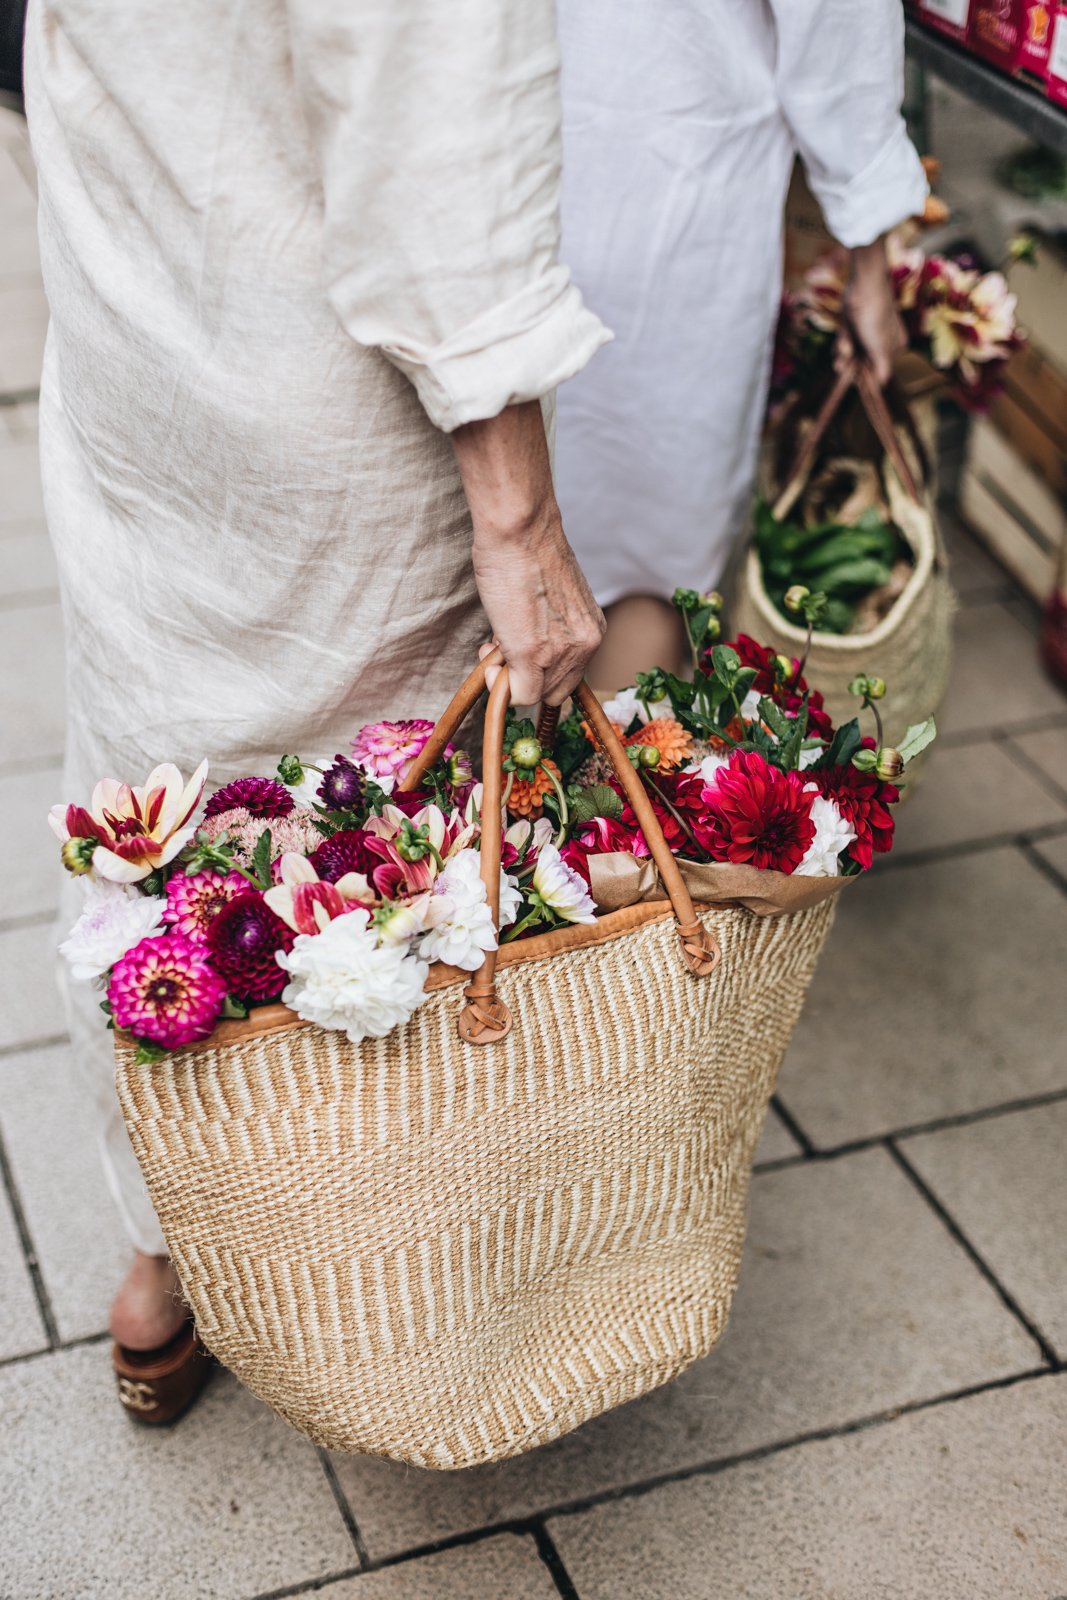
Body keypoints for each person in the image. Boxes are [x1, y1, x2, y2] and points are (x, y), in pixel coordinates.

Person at [25, 0, 608, 1419]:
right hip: (322, 360)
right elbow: (436, 108)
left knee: (152, 779)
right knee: (379, 818)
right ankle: (367, 1258)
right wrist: (516, 513)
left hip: (132, 268)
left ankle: (172, 1246)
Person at [555, 0, 928, 689]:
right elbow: (839, 33)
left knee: (638, 527)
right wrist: (869, 264)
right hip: (671, 192)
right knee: (648, 525)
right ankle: (597, 777)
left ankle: (577, 774)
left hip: (651, 197)